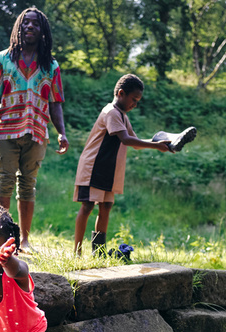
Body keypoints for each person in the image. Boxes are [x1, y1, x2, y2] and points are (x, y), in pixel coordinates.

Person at [0, 7, 69, 253]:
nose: (30, 27)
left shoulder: (51, 66)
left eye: (35, 24)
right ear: (19, 28)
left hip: (38, 132)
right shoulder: (2, 59)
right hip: (7, 130)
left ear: (43, 32)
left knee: (28, 185)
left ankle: (24, 241)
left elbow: (55, 102)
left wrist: (61, 132)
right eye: (25, 23)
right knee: (4, 183)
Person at [73, 74, 176, 256]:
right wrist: (155, 145)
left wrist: (161, 144)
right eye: (133, 100)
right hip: (93, 168)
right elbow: (126, 139)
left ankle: (99, 252)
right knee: (87, 206)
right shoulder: (111, 112)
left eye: (137, 101)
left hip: (108, 171)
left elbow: (135, 142)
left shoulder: (122, 116)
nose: (135, 104)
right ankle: (77, 252)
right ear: (121, 93)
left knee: (105, 207)